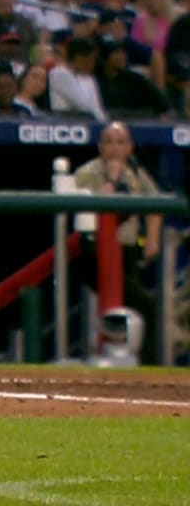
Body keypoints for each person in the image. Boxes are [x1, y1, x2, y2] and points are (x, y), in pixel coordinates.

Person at [72, 122, 164, 365]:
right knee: (144, 305)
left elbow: (156, 206)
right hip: (93, 254)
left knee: (134, 309)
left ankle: (133, 364)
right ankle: (148, 365)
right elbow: (102, 208)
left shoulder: (135, 173)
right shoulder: (86, 173)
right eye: (109, 141)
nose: (114, 148)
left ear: (130, 148)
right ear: (100, 147)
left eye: (120, 142)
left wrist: (153, 238)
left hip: (128, 251)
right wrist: (112, 177)